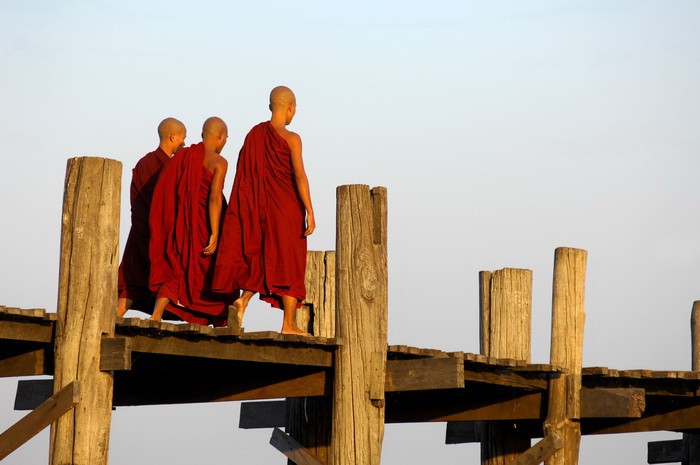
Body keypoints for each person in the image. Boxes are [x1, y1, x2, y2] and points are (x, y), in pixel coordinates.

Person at [212, 86, 314, 336]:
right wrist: (310, 210)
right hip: (287, 208)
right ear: (290, 107)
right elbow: (299, 175)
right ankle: (289, 324)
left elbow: (245, 178)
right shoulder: (291, 138)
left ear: (271, 106)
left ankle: (243, 301)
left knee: (261, 257)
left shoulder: (253, 135)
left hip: (259, 209)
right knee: (290, 262)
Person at [148, 117, 230, 326]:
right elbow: (214, 197)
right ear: (220, 136)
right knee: (210, 271)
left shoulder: (184, 155)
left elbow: (166, 188)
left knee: (176, 266)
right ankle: (217, 320)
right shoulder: (219, 162)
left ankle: (156, 314)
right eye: (226, 138)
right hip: (202, 225)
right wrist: (214, 232)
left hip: (181, 224)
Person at [117, 117, 186, 317]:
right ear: (173, 137)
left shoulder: (144, 162)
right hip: (159, 231)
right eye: (182, 138)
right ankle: (157, 315)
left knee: (133, 279)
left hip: (140, 227)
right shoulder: (168, 167)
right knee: (164, 273)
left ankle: (116, 315)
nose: (184, 143)